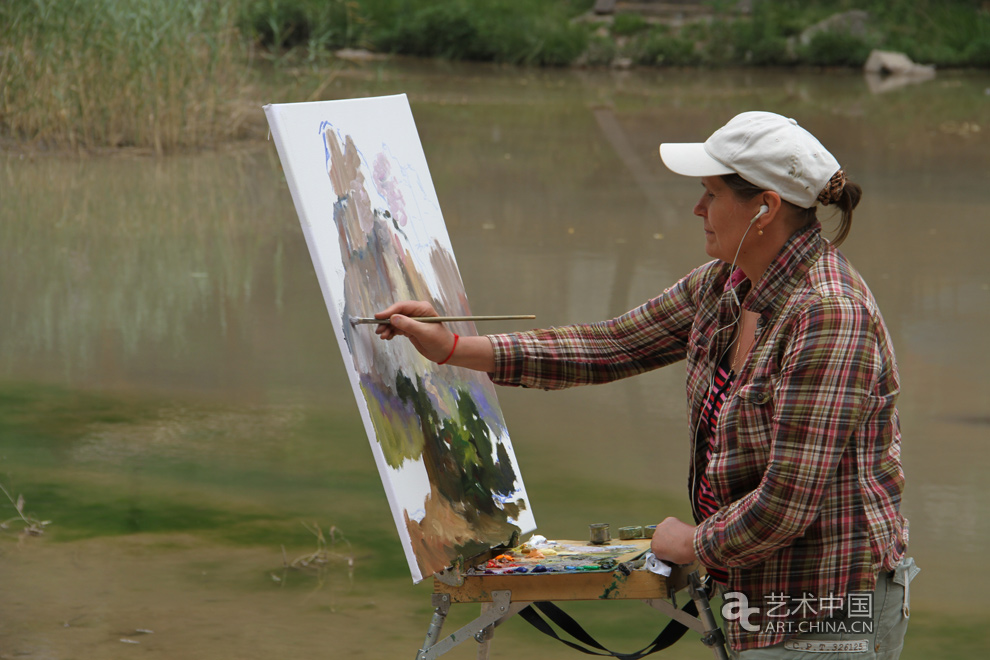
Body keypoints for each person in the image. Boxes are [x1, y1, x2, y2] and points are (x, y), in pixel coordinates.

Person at [374, 111, 914, 658]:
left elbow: (785, 505)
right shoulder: (726, 285)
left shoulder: (828, 315)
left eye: (709, 193)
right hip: (756, 592)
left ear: (764, 208)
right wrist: (451, 347)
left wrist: (692, 542)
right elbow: (610, 345)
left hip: (827, 606)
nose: (697, 208)